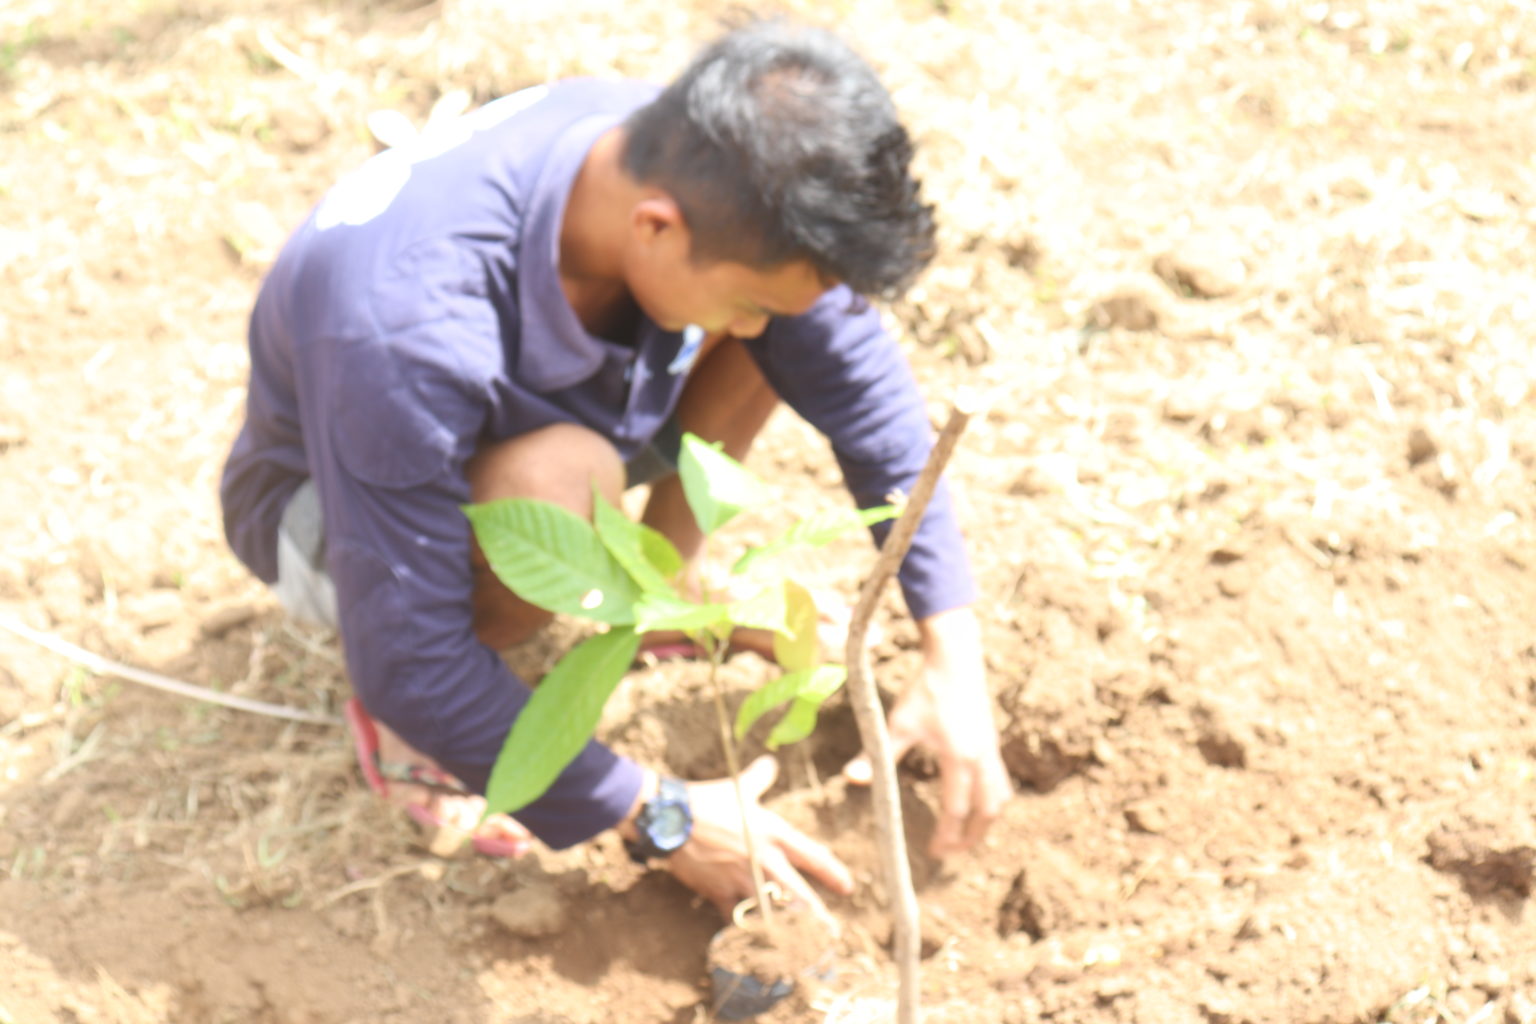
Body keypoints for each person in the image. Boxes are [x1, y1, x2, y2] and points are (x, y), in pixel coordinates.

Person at [220, 18, 1010, 918]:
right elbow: (413, 656)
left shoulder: (693, 158)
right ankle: (407, 742)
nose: (751, 326)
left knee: (793, 335)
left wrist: (955, 652)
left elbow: (865, 394)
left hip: (527, 395)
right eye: (748, 302)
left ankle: (660, 589)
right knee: (555, 485)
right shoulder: (401, 323)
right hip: (329, 505)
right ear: (655, 228)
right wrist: (658, 815)